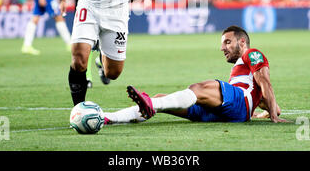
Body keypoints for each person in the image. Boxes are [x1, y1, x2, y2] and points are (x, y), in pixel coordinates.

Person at [102, 25, 289, 124]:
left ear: (242, 42)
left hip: (239, 102)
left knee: (199, 88)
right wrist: (264, 112)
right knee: (161, 100)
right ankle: (110, 118)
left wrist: (272, 115)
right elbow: (268, 99)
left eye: (227, 42)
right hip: (231, 111)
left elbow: (264, 81)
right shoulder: (241, 74)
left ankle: (151, 105)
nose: (222, 48)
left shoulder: (251, 53)